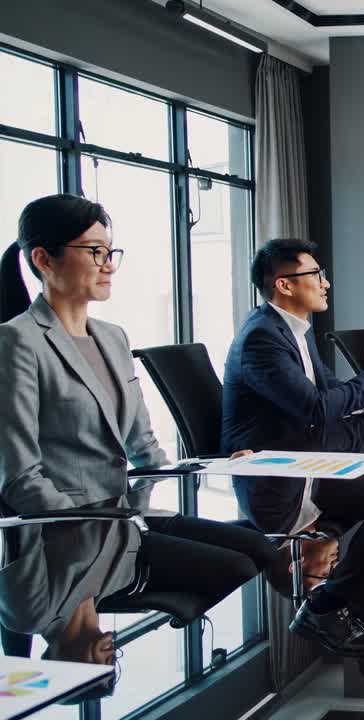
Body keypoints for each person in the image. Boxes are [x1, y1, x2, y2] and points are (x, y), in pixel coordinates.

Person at [0, 194, 274, 662]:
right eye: (95, 252)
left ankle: (321, 614)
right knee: (240, 564)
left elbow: (144, 445)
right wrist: (112, 520)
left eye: (109, 252)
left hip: (124, 522)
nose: (108, 265)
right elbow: (20, 477)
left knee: (259, 550)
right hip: (77, 531)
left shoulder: (112, 336)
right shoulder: (17, 342)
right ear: (44, 260)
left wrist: (201, 467)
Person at [221, 238, 364, 656]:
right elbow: (317, 409)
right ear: (283, 285)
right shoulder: (263, 339)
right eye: (315, 275)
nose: (326, 282)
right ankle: (323, 608)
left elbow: (331, 393)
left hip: (308, 463)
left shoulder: (293, 330)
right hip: (282, 481)